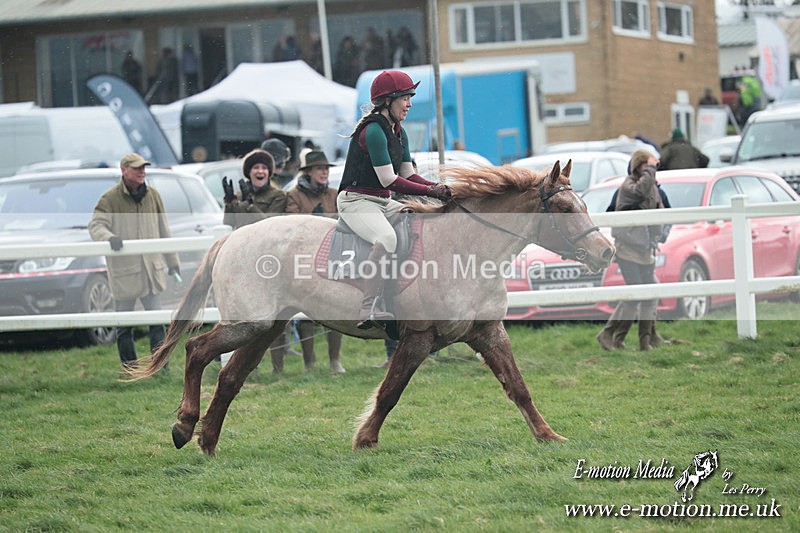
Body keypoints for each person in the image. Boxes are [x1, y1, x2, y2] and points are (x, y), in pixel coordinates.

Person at [337, 70, 452, 329]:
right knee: (386, 238)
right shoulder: (374, 131)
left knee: (419, 222)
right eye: (405, 98)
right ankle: (369, 306)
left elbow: (409, 174)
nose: (409, 104)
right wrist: (430, 192)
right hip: (355, 201)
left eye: (410, 98)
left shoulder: (399, 132)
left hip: (381, 201)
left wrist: (438, 188)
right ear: (388, 100)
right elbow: (389, 180)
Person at [88, 153, 180, 369]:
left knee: (157, 323)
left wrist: (172, 261)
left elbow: (164, 230)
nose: (142, 172)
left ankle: (160, 368)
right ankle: (130, 369)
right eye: (137, 168)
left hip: (151, 273)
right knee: (124, 325)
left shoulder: (153, 195)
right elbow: (96, 225)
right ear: (124, 170)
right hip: (125, 273)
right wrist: (110, 238)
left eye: (143, 168)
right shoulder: (109, 198)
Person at [222, 149, 289, 373]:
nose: (260, 171)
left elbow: (270, 227)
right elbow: (230, 223)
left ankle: (278, 367)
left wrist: (251, 205)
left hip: (269, 260)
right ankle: (247, 367)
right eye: (255, 168)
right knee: (245, 315)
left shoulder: (278, 196)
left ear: (269, 172)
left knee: (276, 315)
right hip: (245, 259)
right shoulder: (241, 194)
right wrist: (230, 202)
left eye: (263, 168)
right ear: (249, 172)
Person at [596, 150, 666, 352]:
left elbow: (659, 210)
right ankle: (609, 334)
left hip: (645, 249)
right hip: (627, 249)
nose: (651, 170)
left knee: (650, 293)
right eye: (647, 165)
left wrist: (658, 235)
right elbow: (640, 192)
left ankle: (644, 341)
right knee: (635, 293)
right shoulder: (629, 185)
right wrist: (650, 169)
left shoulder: (652, 186)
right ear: (639, 166)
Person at [286, 149, 346, 373]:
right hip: (305, 259)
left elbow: (344, 222)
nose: (324, 172)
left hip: (332, 256)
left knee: (335, 307)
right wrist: (314, 220)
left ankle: (334, 360)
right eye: (320, 169)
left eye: (326, 169)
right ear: (308, 172)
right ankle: (309, 363)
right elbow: (291, 225)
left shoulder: (334, 194)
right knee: (305, 311)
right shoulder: (294, 195)